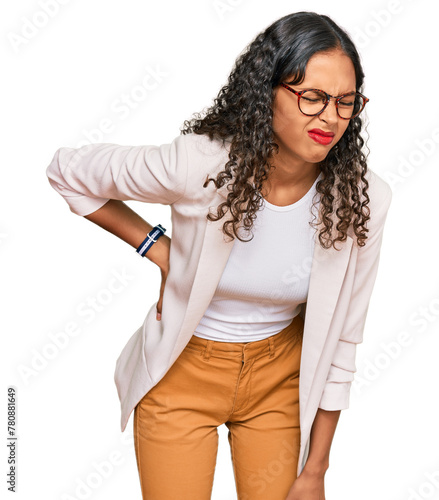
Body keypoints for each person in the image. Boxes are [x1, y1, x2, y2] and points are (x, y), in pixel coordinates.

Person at [45, 11, 392, 500]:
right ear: (266, 92)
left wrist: (316, 470)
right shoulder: (200, 164)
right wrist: (157, 248)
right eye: (312, 97)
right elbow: (67, 172)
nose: (331, 118)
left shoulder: (362, 200)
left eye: (345, 101)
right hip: (182, 376)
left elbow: (343, 344)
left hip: (281, 385)